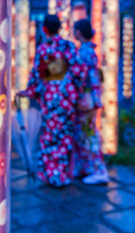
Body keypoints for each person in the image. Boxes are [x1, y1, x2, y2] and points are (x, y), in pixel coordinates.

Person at [18, 15, 88, 187]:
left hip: (49, 98)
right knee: (64, 135)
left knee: (49, 136)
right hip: (66, 99)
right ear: (59, 28)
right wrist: (75, 90)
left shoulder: (43, 49)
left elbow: (36, 75)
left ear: (45, 30)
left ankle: (51, 174)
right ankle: (62, 175)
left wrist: (29, 91)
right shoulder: (68, 46)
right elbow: (79, 70)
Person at [73, 19, 109, 184]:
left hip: (86, 99)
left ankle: (99, 170)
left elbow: (82, 77)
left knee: (89, 134)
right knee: (84, 134)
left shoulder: (84, 53)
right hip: (88, 98)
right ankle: (86, 168)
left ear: (79, 32)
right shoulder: (87, 51)